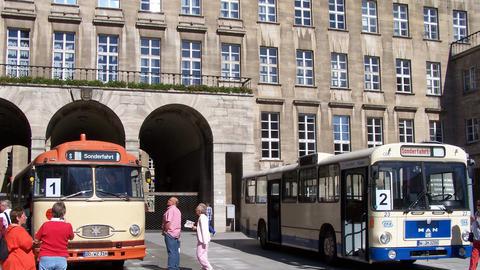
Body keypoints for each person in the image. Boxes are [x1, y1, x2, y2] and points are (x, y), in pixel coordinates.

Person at [35, 201, 74, 270]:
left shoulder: (45, 225)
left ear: (52, 213)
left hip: (45, 257)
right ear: (64, 213)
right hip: (61, 257)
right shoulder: (68, 226)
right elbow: (71, 237)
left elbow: (36, 239)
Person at [162, 197, 181, 270]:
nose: (168, 200)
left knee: (171, 252)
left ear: (173, 202)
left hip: (170, 233)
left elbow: (168, 222)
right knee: (176, 251)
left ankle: (171, 267)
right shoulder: (178, 210)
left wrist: (165, 231)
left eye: (169, 200)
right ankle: (176, 267)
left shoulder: (170, 210)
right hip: (176, 233)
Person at [192, 203, 213, 270]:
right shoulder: (203, 217)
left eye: (196, 210)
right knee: (204, 255)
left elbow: (204, 230)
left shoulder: (202, 217)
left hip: (203, 240)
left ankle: (209, 267)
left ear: (200, 211)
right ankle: (205, 268)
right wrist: (196, 227)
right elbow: (202, 228)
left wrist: (204, 241)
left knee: (199, 255)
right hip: (203, 239)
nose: (196, 211)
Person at [470, 200, 480, 270]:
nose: (478, 207)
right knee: (473, 259)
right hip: (476, 240)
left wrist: (475, 221)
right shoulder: (476, 214)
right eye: (478, 205)